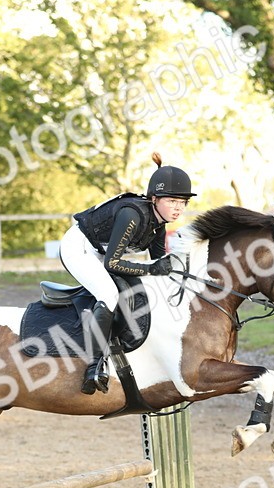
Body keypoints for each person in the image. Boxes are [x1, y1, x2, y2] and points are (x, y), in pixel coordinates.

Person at [61, 152, 195, 395]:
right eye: (172, 201)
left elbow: (159, 264)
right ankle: (94, 366)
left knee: (139, 285)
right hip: (78, 247)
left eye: (182, 202)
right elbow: (113, 263)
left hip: (101, 251)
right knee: (109, 293)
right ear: (154, 199)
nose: (178, 208)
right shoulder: (131, 214)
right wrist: (152, 269)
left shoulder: (158, 224)